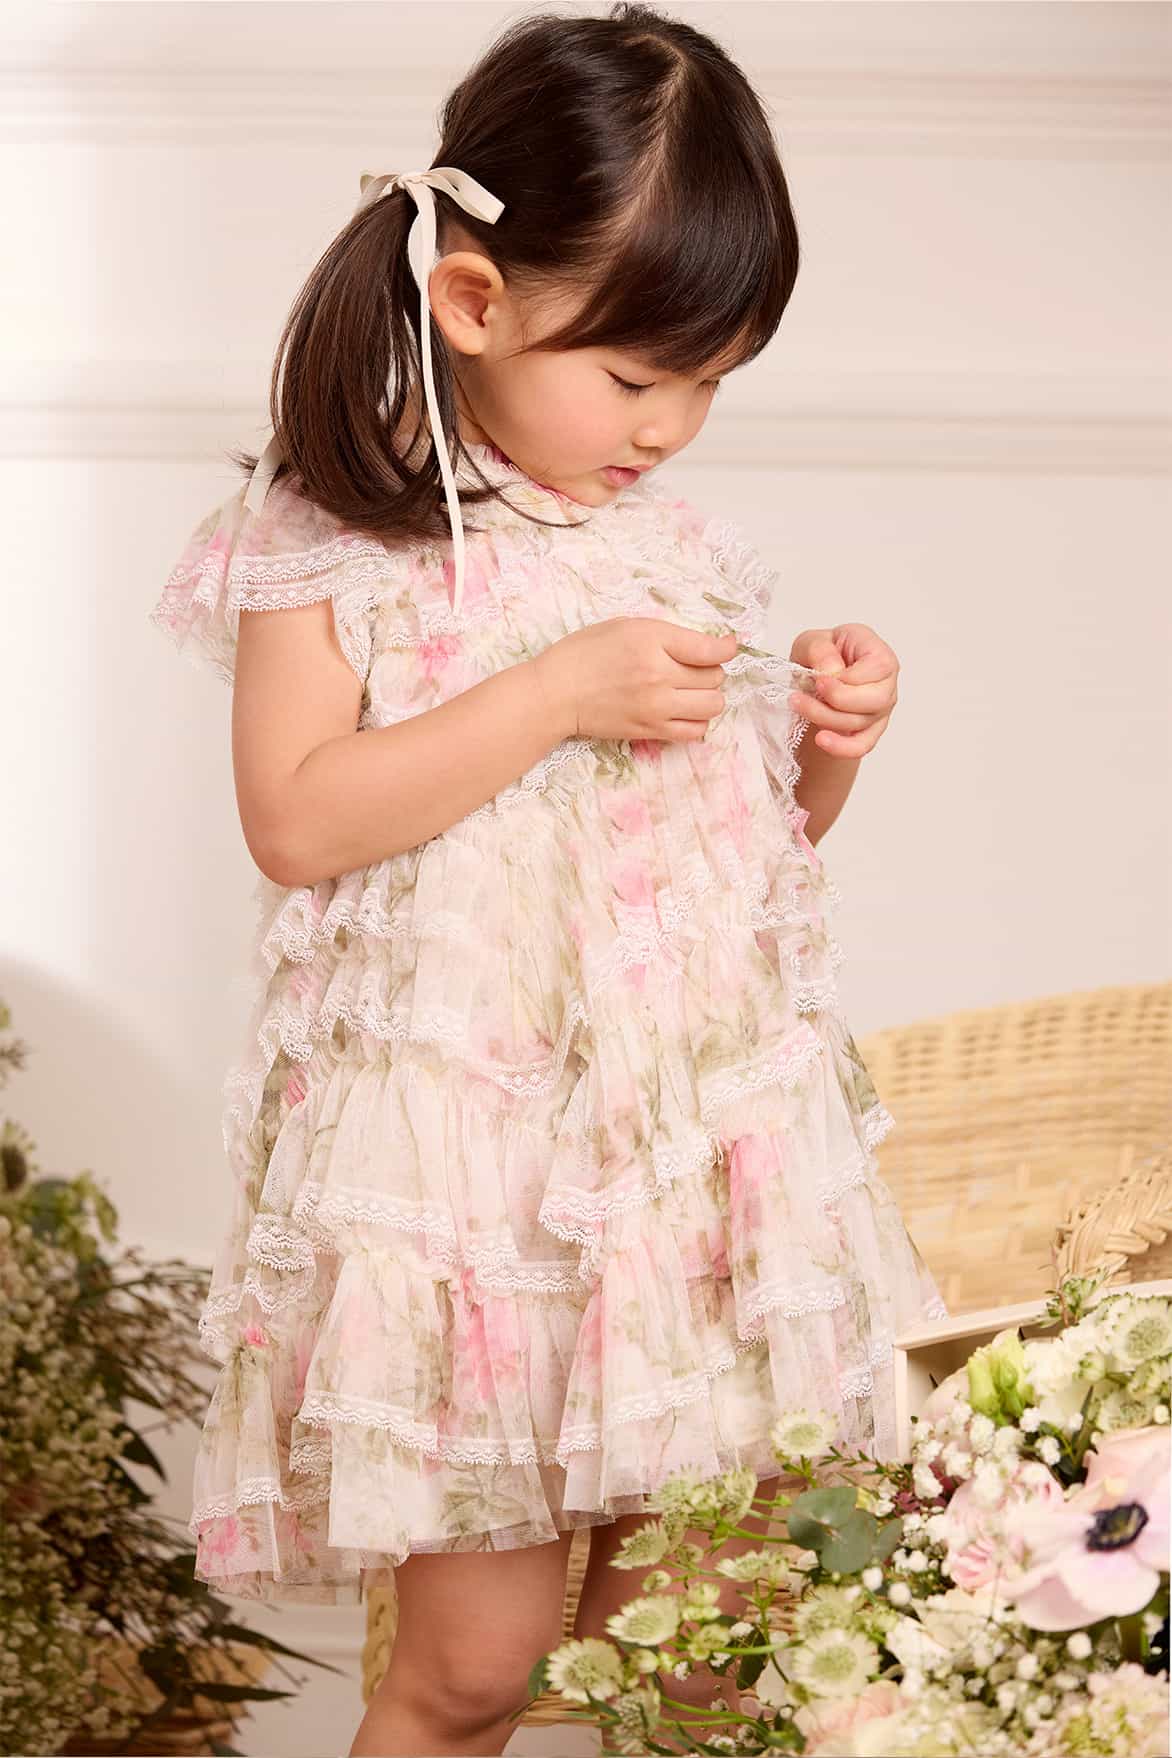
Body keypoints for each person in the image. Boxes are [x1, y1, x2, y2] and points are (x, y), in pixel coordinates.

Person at [149, 4, 947, 1752]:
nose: (673, 425)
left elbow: (728, 871)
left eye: (712, 382)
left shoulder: (673, 551)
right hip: (480, 1208)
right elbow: (297, 818)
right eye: (638, 377)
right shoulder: (336, 534)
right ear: (474, 301)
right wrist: (556, 691)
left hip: (688, 1183)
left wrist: (827, 745)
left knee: (694, 1658)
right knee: (474, 1669)